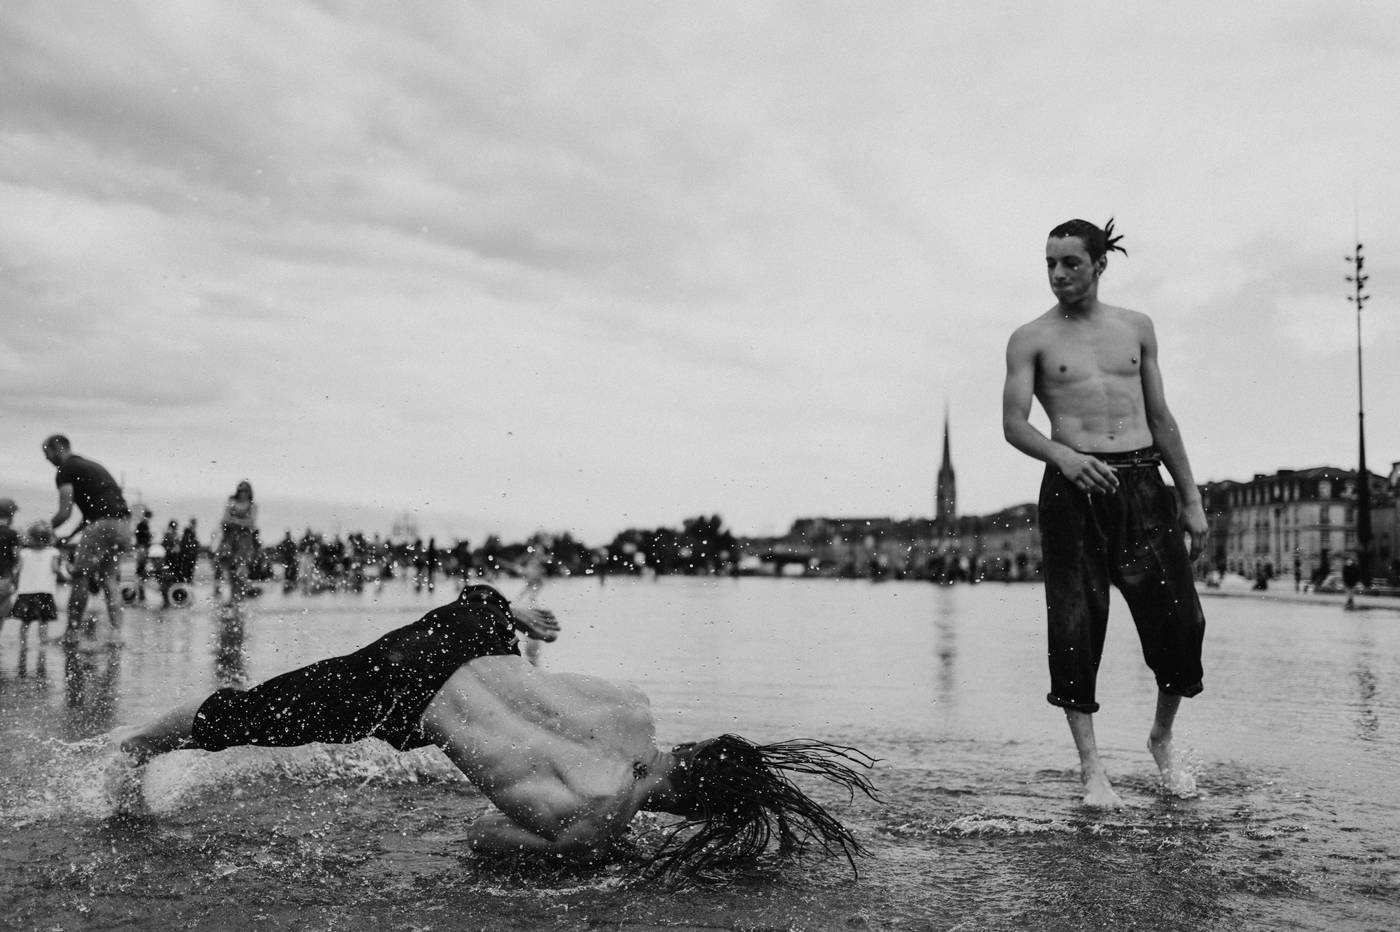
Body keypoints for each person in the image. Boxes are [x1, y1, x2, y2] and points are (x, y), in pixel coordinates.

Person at [114, 585, 876, 879]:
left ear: (706, 746)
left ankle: (511, 601)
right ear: (695, 811)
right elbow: (480, 838)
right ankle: (135, 752)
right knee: (255, 718)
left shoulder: (635, 707)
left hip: (468, 634)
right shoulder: (593, 825)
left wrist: (504, 631)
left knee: (263, 705)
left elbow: (541, 688)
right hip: (407, 703)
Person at [1002, 218, 1207, 808]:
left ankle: (1161, 738)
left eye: (1071, 262)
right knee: (1074, 627)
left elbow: (1162, 417)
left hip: (1144, 483)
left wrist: (1189, 496)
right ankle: (1093, 771)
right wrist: (1063, 456)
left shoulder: (1137, 328)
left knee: (1182, 622)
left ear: (1099, 264)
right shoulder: (1030, 338)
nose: (1059, 274)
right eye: (1050, 264)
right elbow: (1015, 423)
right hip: (1072, 489)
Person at [42, 434, 133, 634]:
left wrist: (44, 530)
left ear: (56, 449)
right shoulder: (92, 466)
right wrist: (70, 535)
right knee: (109, 579)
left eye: (46, 453)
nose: (46, 458)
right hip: (124, 525)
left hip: (101, 526)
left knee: (80, 577)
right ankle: (117, 635)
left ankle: (71, 634)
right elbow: (96, 513)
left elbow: (64, 513)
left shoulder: (65, 470)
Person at [6, 521, 64, 640]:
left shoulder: (24, 553)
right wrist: (65, 576)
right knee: (44, 621)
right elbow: (55, 569)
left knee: (25, 621)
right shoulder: (53, 552)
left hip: (26, 591)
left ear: (30, 538)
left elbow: (17, 570)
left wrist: (14, 583)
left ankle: (23, 643)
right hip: (45, 591)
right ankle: (43, 643)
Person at [216, 481, 259, 604]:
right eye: (240, 491)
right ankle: (230, 598)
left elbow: (251, 523)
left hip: (244, 541)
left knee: (242, 569)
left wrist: (234, 521)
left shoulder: (252, 506)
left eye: (245, 491)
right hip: (230, 540)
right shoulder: (231, 503)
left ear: (249, 492)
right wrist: (240, 522)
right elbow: (224, 520)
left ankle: (239, 597)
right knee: (228, 569)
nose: (242, 493)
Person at [0, 497, 20, 620]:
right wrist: (16, 579)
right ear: (11, 515)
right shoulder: (12, 534)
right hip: (4, 579)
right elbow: (17, 556)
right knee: (1, 612)